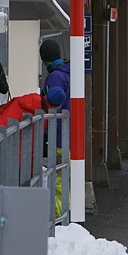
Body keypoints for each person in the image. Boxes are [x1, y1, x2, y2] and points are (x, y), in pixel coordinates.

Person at [40, 39, 71, 217]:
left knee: (58, 178)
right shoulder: (69, 73)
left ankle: (59, 217)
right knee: (66, 178)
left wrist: (45, 134)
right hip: (72, 135)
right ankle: (67, 213)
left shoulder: (55, 78)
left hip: (59, 136)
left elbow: (51, 106)